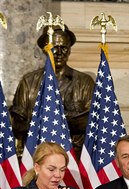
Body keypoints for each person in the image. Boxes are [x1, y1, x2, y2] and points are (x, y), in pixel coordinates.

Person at [10, 24, 94, 160]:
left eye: (64, 48)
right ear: (45, 49)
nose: (59, 53)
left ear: (70, 50)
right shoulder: (28, 82)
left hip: (75, 157)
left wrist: (47, 119)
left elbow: (89, 121)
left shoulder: (84, 82)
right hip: (35, 155)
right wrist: (66, 120)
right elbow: (18, 124)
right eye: (54, 48)